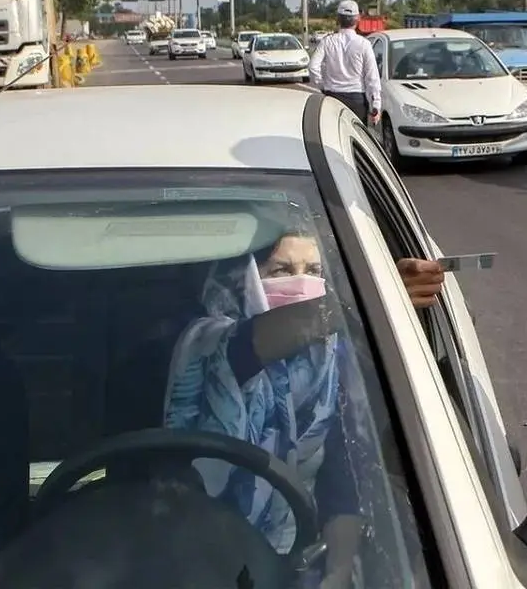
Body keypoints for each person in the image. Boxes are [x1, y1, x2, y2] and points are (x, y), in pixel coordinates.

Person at [163, 230, 445, 581]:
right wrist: (372, 299)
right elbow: (249, 345)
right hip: (191, 553)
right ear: (241, 277)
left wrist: (338, 572)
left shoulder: (333, 358)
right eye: (281, 270)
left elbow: (342, 480)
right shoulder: (206, 341)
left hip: (294, 554)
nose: (301, 283)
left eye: (313, 270)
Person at [309, 0, 381, 125]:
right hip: (357, 100)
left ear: (338, 19)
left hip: (332, 97)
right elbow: (372, 77)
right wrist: (375, 105)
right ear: (357, 19)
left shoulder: (327, 42)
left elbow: (313, 67)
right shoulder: (364, 44)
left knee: (332, 136)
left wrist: (322, 86)